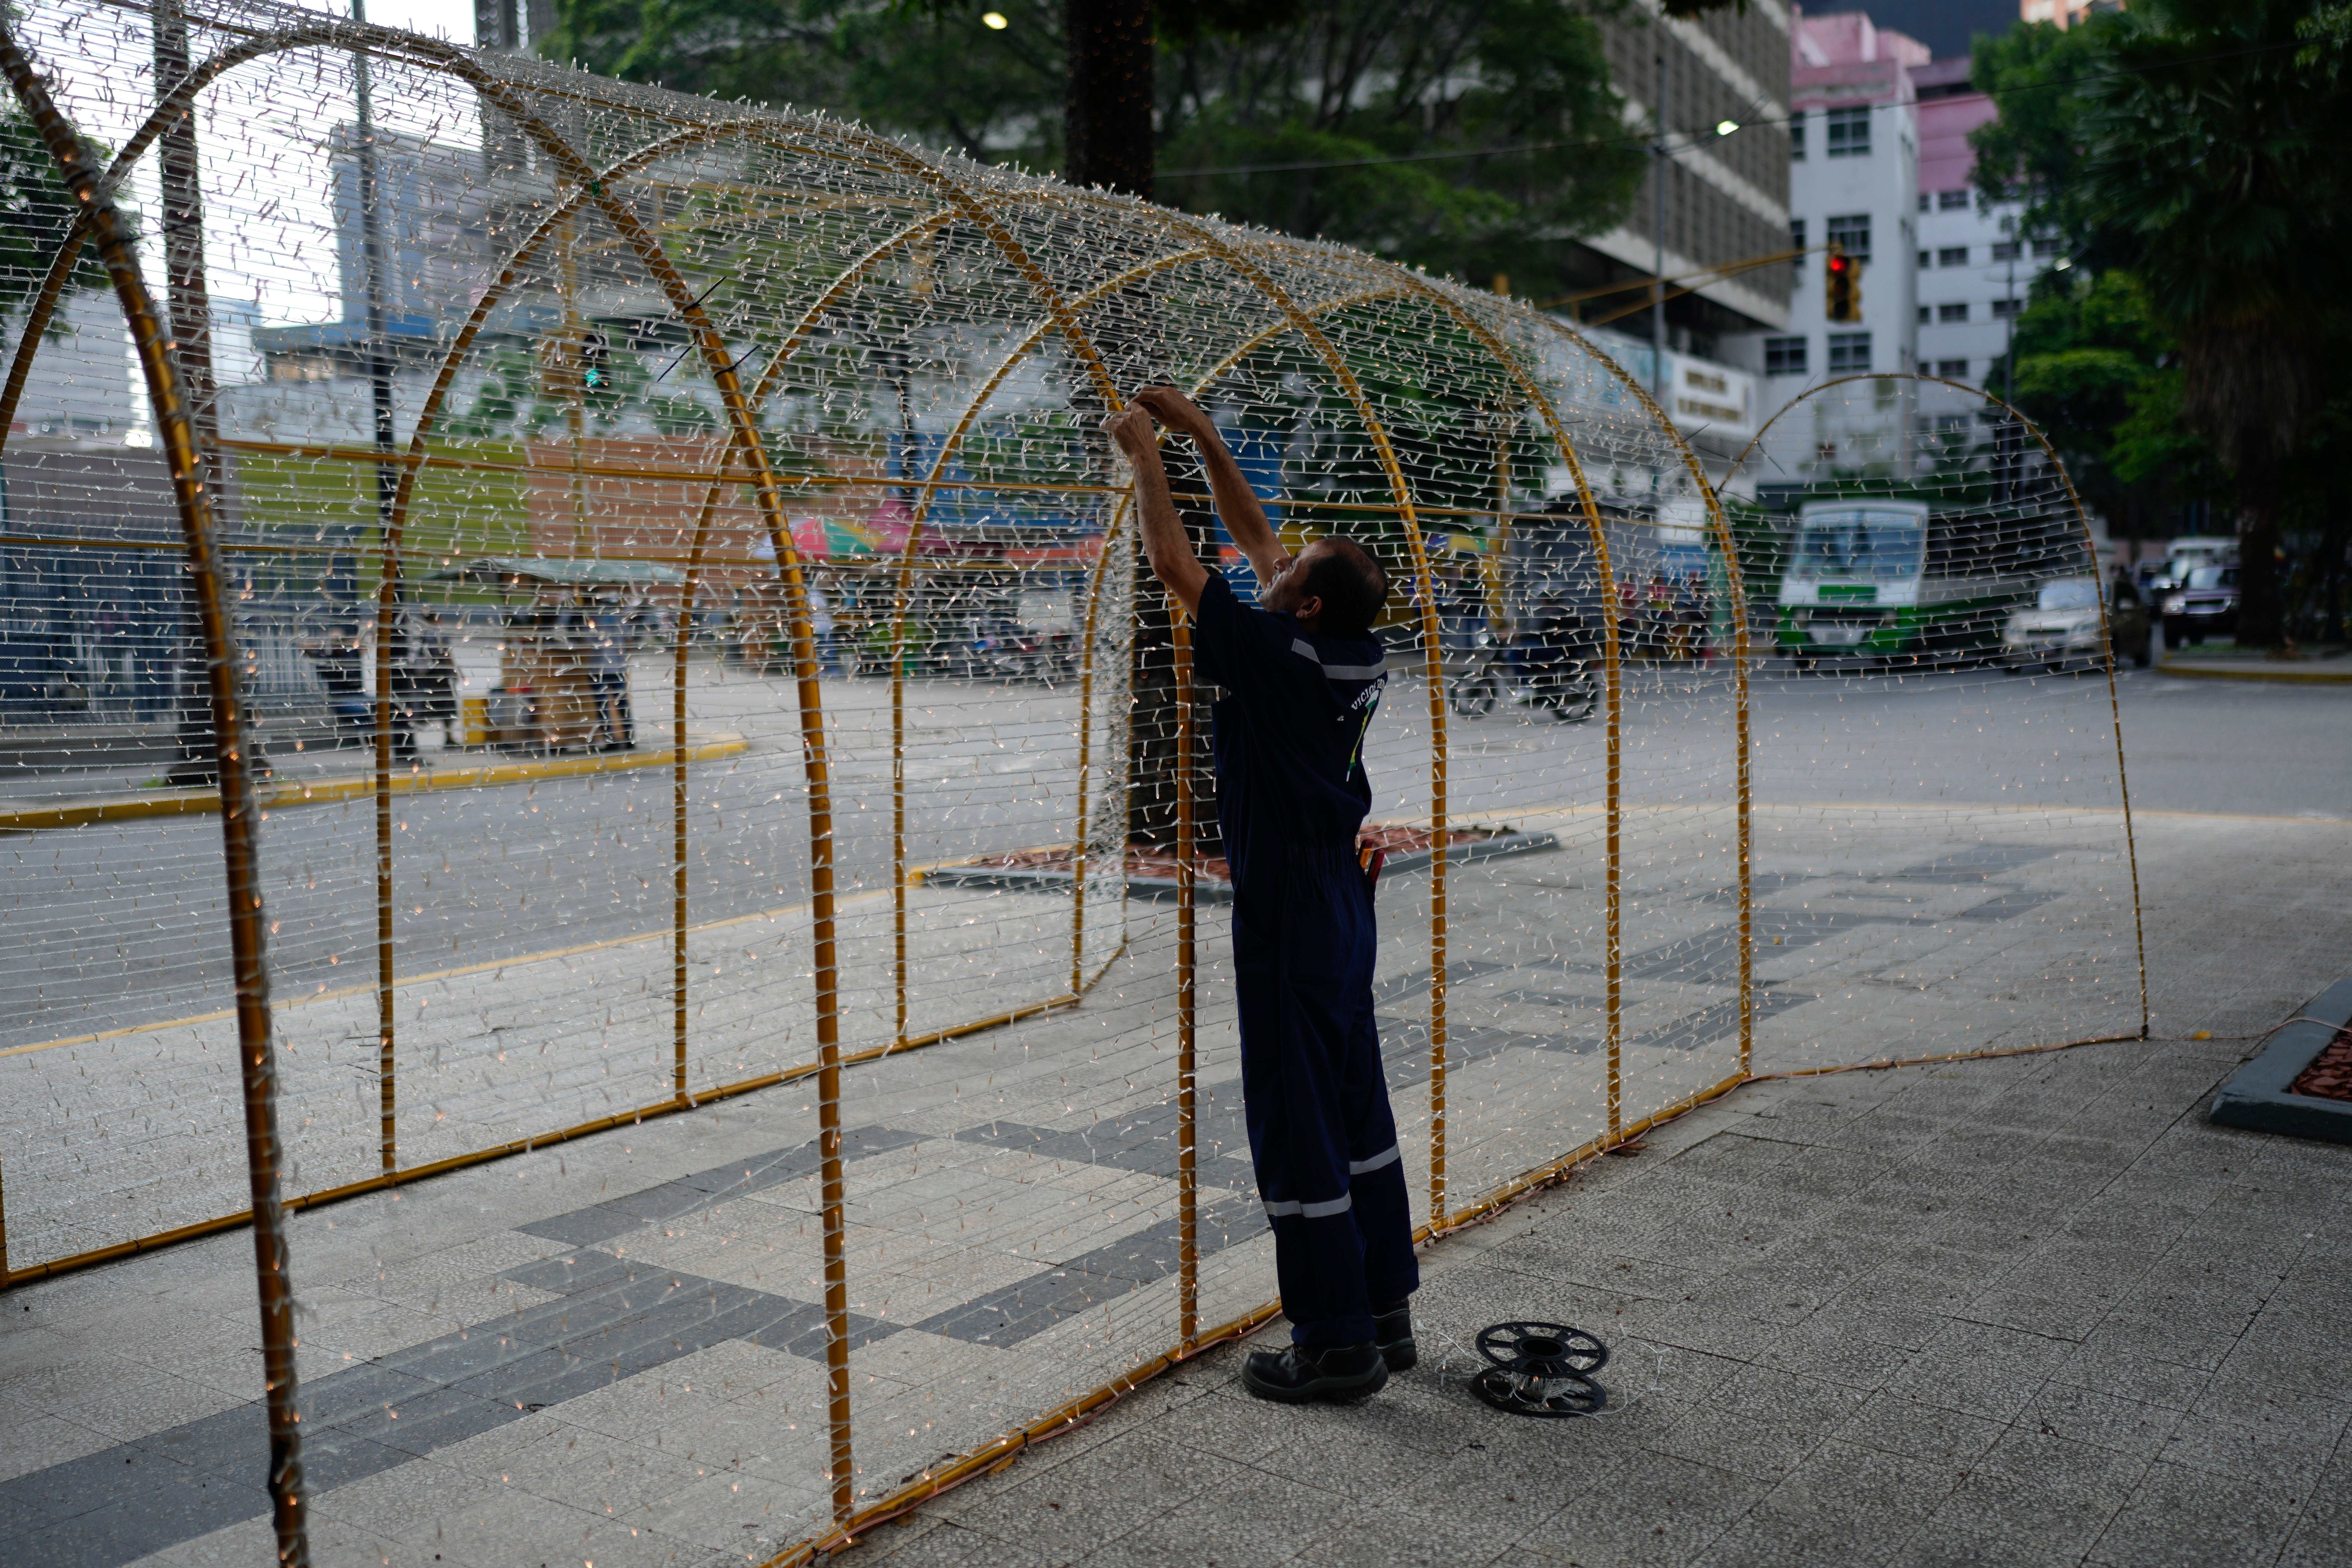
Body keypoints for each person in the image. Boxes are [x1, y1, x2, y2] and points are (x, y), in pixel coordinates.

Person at [1106, 386, 1418, 1406]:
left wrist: (1143, 455)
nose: (1273, 570)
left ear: (1307, 604)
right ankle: (1384, 1311)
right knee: (1354, 1098)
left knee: (1296, 1115)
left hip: (1288, 899)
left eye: (1288, 576)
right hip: (1343, 898)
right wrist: (1202, 436)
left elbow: (1174, 566)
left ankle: (1333, 1346)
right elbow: (1256, 541)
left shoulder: (1278, 655)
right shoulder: (1351, 650)